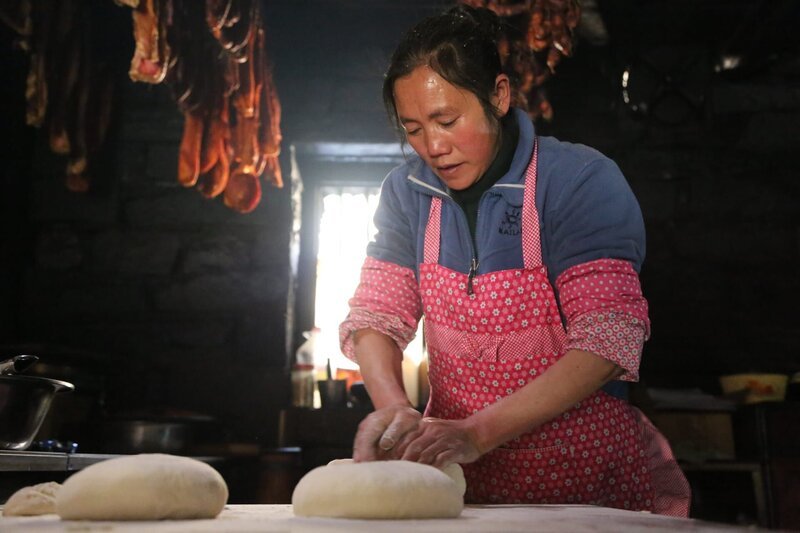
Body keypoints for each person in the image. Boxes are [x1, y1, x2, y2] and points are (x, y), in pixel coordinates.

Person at [339, 4, 690, 515]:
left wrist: (477, 433)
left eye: (447, 120)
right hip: (460, 491)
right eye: (413, 128)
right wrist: (397, 416)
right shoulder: (406, 192)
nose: (432, 147)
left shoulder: (577, 181)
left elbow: (609, 337)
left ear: (498, 95)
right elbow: (376, 314)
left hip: (584, 485)